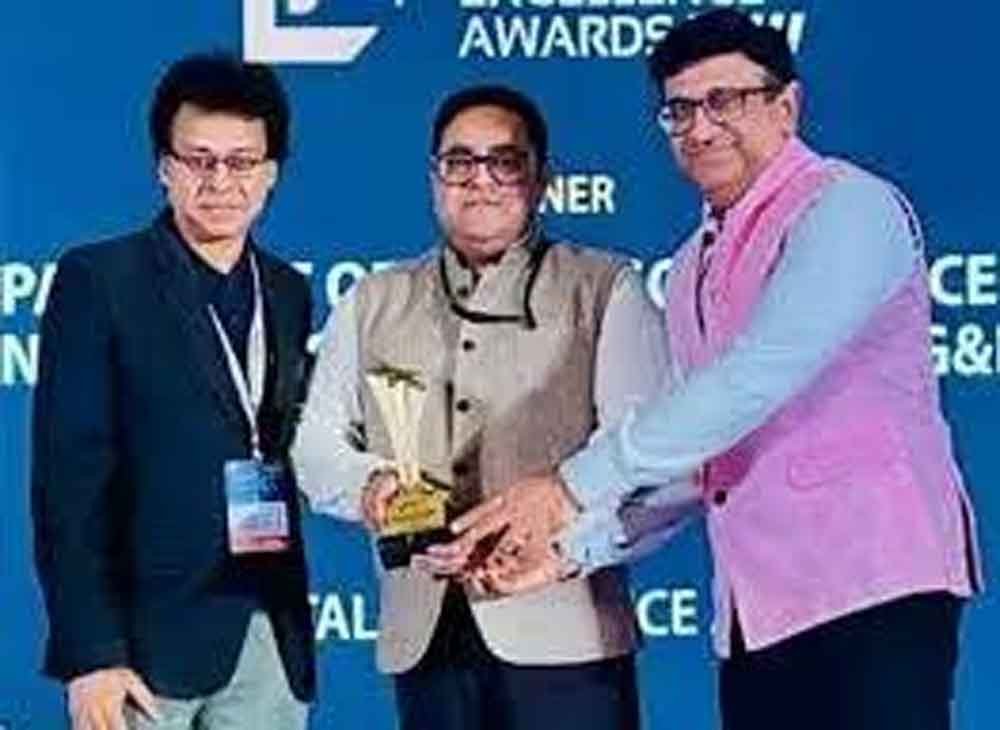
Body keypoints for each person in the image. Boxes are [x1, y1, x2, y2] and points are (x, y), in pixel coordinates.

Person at [440, 11, 983, 730]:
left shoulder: (848, 205)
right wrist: (573, 548)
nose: (700, 128)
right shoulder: (693, 261)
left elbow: (755, 378)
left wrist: (568, 487)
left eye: (725, 101)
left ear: (787, 105)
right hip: (757, 612)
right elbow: (700, 457)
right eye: (680, 110)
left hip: (872, 589)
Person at [292, 84, 695, 730]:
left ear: (541, 180)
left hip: (567, 636)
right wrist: (367, 486)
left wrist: (566, 542)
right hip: (424, 638)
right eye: (459, 162)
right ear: (434, 178)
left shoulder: (605, 288)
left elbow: (651, 459)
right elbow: (314, 444)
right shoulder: (372, 300)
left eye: (504, 162)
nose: (479, 180)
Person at [31, 53, 315, 730]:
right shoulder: (100, 280)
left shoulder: (287, 290)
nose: (221, 182)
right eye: (199, 160)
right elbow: (69, 481)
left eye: (242, 162)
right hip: (141, 646)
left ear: (271, 172)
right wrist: (92, 655)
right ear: (164, 167)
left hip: (266, 629)